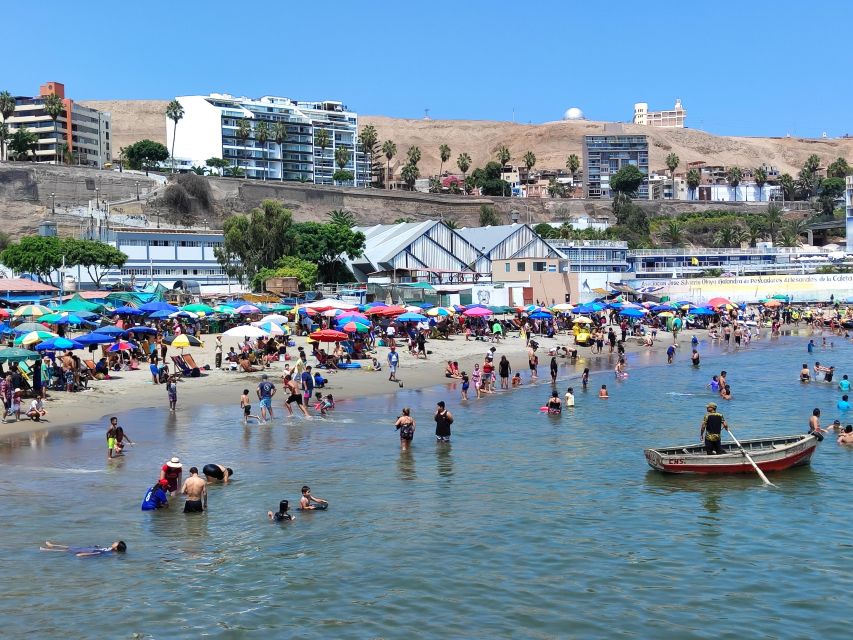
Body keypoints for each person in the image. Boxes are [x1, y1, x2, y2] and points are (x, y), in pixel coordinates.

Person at [40, 540, 127, 557]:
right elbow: (102, 550)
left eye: (116, 543)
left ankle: (47, 550)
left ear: (116, 548)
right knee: (70, 547)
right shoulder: (110, 549)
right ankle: (52, 545)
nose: (115, 542)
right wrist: (98, 546)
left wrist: (83, 554)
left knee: (68, 550)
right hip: (91, 548)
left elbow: (98, 553)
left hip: (90, 551)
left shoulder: (110, 553)